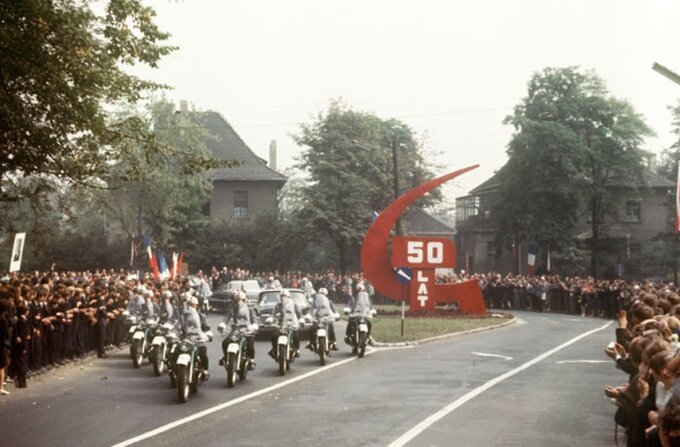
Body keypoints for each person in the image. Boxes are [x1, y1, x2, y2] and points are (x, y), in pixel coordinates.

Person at [219, 290, 257, 369]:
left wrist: (254, 325)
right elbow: (227, 317)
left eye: (240, 300)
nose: (238, 302)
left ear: (244, 300)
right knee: (225, 342)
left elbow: (253, 318)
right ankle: (226, 357)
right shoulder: (232, 309)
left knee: (250, 344)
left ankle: (251, 359)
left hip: (247, 330)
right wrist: (222, 324)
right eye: (236, 300)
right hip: (236, 330)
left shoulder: (249, 308)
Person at [181, 293, 211, 376]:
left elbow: (206, 327)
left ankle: (205, 369)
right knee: (174, 352)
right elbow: (178, 325)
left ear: (197, 306)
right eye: (189, 305)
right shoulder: (183, 316)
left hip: (198, 339)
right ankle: (174, 370)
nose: (191, 307)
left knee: (203, 353)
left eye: (193, 305)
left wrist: (207, 334)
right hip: (186, 339)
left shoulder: (201, 316)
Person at [268, 289, 302, 359]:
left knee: (296, 334)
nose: (283, 298)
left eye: (285, 296)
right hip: (281, 324)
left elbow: (299, 313)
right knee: (274, 335)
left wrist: (301, 319)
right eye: (282, 296)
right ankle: (274, 349)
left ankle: (297, 349)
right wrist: (270, 318)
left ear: (288, 297)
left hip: (292, 323)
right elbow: (273, 313)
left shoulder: (294, 304)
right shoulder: (278, 305)